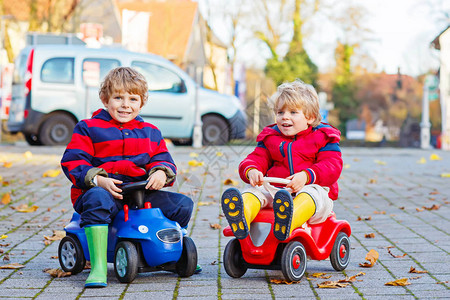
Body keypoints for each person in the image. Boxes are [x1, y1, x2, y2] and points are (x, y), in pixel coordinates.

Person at [61, 67, 194, 288]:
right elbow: (73, 160)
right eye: (118, 98)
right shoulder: (88, 128)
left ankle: (174, 255)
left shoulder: (150, 131)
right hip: (101, 191)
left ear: (141, 103)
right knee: (98, 200)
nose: (125, 105)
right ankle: (98, 267)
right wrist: (97, 179)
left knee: (182, 205)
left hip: (139, 193)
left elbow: (162, 157)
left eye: (133, 99)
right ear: (105, 99)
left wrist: (161, 171)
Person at [221, 80, 343, 241]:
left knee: (311, 195)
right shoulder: (271, 137)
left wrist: (307, 176)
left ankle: (288, 220)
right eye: (280, 112)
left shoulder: (323, 138)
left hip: (312, 191)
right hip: (277, 192)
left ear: (310, 117)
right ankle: (242, 217)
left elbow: (331, 165)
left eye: (293, 112)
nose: (285, 117)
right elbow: (257, 158)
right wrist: (252, 170)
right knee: (254, 192)